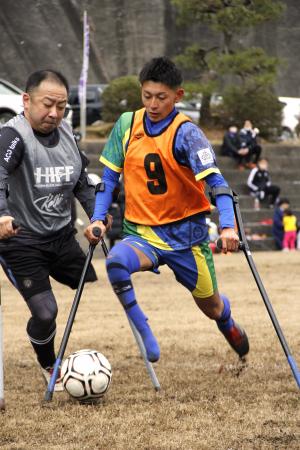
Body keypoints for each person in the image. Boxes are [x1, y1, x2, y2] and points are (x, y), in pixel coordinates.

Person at [85, 57, 249, 365]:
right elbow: (108, 179)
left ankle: (227, 322)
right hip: (142, 232)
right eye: (147, 96)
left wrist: (228, 227)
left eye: (161, 97)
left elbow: (218, 183)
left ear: (178, 96)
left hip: (187, 237)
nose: (153, 104)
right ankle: (146, 332)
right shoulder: (126, 124)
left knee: (211, 306)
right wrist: (97, 217)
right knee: (116, 261)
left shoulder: (188, 133)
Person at [0, 69, 109, 391]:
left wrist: (96, 217)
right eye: (48, 104)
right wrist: (2, 214)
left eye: (61, 106)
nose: (54, 113)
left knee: (89, 281)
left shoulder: (67, 134)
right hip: (21, 238)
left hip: (61, 236)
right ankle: (49, 364)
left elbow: (81, 181)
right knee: (46, 311)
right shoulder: (13, 136)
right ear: (26, 100)